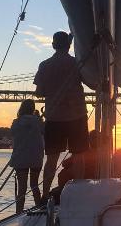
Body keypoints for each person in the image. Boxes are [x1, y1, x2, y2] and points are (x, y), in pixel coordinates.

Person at [34, 31, 89, 201]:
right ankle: (80, 193)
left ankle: (44, 195)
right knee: (79, 156)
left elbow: (39, 92)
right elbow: (92, 83)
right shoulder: (76, 63)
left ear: (53, 45)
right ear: (68, 45)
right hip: (76, 115)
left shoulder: (44, 65)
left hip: (54, 116)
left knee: (51, 159)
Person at [10, 99, 44, 214]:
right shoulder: (38, 121)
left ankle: (18, 212)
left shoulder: (16, 122)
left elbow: (13, 133)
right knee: (34, 184)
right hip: (36, 156)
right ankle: (39, 207)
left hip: (20, 157)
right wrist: (39, 117)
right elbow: (44, 131)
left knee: (22, 188)